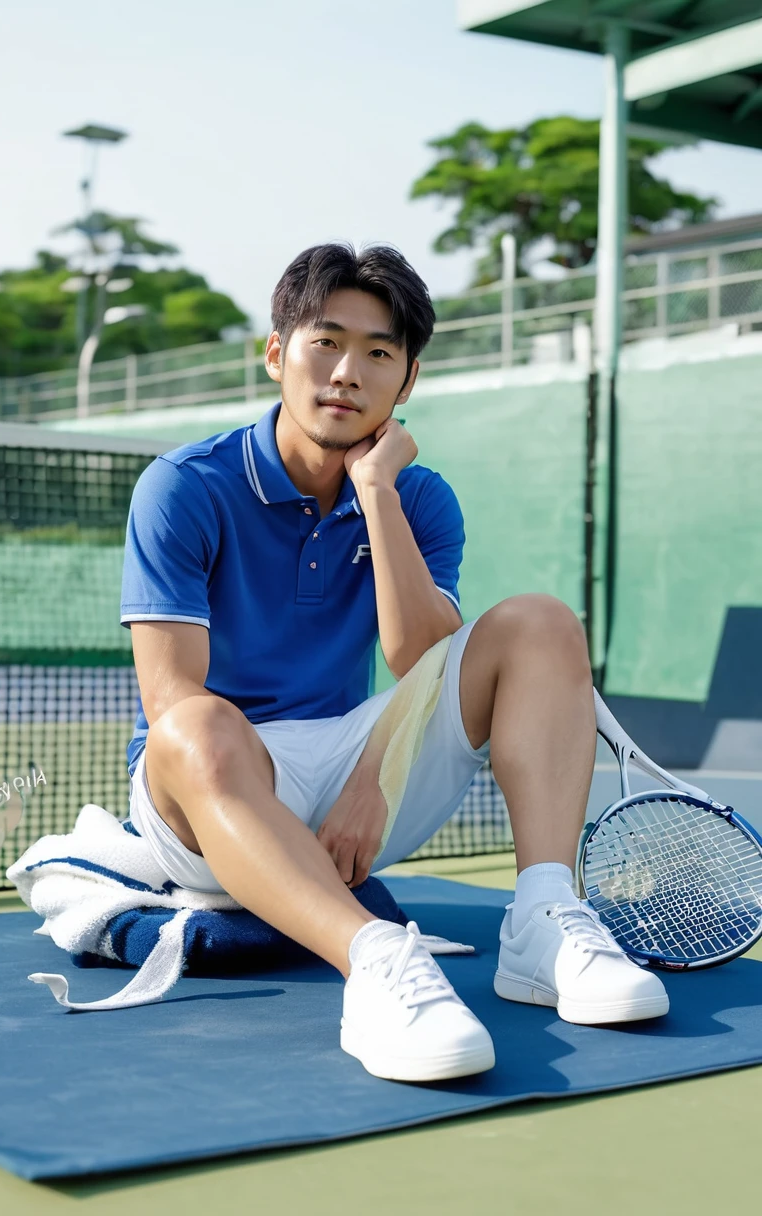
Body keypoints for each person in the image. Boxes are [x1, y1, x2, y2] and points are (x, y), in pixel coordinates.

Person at [120, 242, 668, 1083]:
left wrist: (376, 492)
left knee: (540, 623)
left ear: (406, 383)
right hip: (206, 797)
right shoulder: (183, 487)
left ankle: (544, 915)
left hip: (353, 779)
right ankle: (373, 959)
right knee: (196, 722)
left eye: (379, 353)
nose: (347, 371)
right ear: (276, 354)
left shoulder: (420, 496)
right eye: (325, 342)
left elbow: (420, 657)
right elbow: (170, 702)